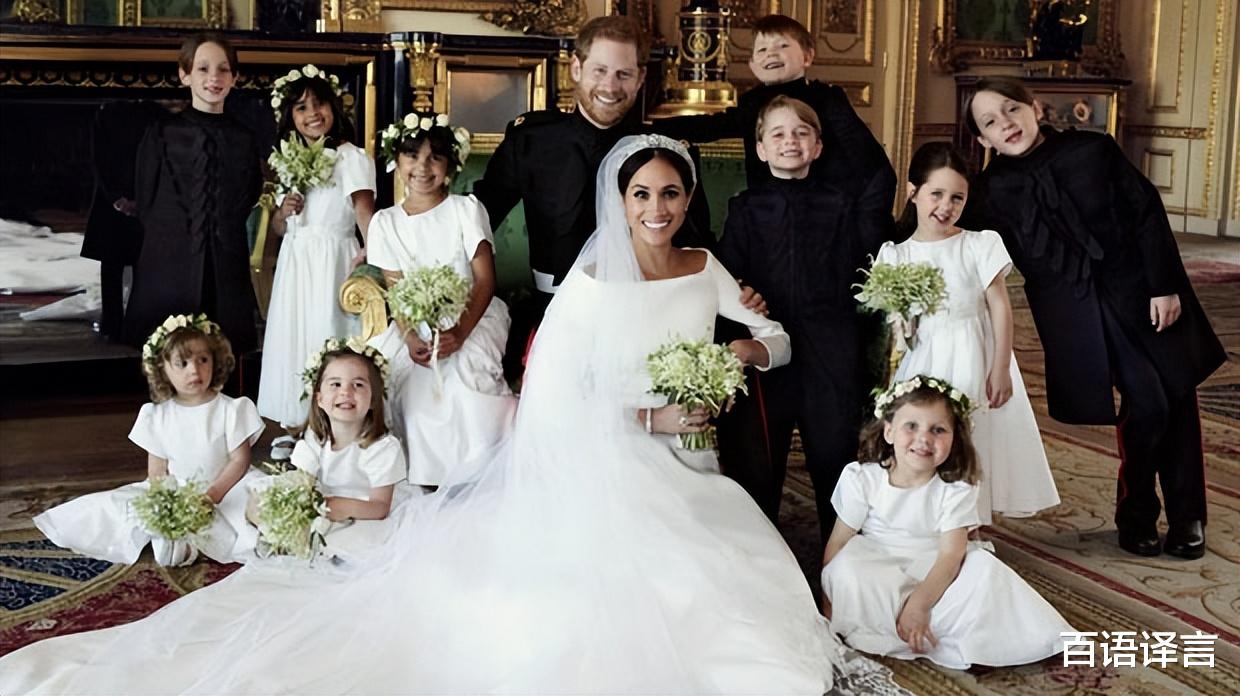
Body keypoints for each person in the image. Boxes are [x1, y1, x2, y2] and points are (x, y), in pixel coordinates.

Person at [0, 135, 902, 696]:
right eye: (641, 195)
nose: (658, 210)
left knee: (737, 563)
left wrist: (737, 356)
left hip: (693, 454)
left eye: (671, 194)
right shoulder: (591, 279)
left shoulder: (705, 266)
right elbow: (559, 385)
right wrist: (649, 420)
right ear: (619, 203)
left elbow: (775, 337)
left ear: (687, 200)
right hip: (613, 454)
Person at [959, 76, 1226, 558]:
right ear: (983, 140)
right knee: (1151, 401)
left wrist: (1164, 284)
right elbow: (955, 236)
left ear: (1034, 107)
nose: (1006, 124)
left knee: (1177, 396)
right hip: (1075, 314)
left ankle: (1188, 517)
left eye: (1011, 110)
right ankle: (1139, 509)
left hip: (1142, 290)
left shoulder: (1093, 151)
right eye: (990, 122)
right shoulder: (991, 190)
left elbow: (1145, 211)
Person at [472, 14, 720, 380]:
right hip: (553, 311)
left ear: (640, 78)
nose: (610, 85)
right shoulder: (531, 141)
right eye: (600, 71)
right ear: (576, 68)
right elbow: (477, 218)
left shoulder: (663, 151)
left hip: (645, 316)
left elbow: (696, 243)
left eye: (623, 74)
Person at [718, 97, 884, 541]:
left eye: (801, 133)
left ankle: (840, 554)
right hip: (766, 345)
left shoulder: (842, 205)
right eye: (778, 133)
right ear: (761, 149)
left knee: (833, 453)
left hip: (830, 345)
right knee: (758, 460)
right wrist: (741, 292)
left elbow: (861, 271)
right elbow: (727, 275)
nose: (790, 141)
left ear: (817, 146)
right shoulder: (745, 208)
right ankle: (759, 554)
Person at [821, 375, 1073, 669]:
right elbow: (838, 542)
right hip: (878, 565)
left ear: (954, 438)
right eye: (911, 426)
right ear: (888, 431)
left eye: (938, 430)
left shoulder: (955, 488)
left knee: (984, 569)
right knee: (847, 568)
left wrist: (920, 603)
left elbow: (951, 555)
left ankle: (934, 625)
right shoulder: (862, 478)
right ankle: (893, 624)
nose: (924, 438)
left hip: (936, 566)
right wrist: (830, 604)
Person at [877, 142, 1059, 524]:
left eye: (957, 197)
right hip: (926, 358)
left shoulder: (979, 243)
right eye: (936, 194)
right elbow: (900, 325)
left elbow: (999, 307)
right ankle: (931, 519)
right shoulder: (896, 254)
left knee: (975, 436)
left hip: (976, 353)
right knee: (927, 436)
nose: (946, 206)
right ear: (913, 193)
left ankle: (970, 525)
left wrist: (1000, 368)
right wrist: (903, 323)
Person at [33, 314, 263, 567]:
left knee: (254, 508)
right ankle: (179, 540)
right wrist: (166, 500)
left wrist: (213, 494)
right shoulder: (157, 415)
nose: (194, 370)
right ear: (162, 368)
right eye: (182, 363)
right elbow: (157, 468)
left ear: (215, 360)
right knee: (121, 509)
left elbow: (239, 460)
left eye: (203, 360)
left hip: (227, 487)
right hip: (179, 488)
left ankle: (200, 541)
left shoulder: (232, 409)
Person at [366, 112, 516, 485]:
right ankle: (423, 474)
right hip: (414, 321)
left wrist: (461, 332)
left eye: (435, 157)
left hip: (472, 315)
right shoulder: (385, 222)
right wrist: (410, 336)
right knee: (410, 389)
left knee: (467, 384)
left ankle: (480, 471)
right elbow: (397, 291)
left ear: (450, 164)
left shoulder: (466, 209)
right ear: (396, 161)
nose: (422, 166)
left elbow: (484, 281)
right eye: (412, 155)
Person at [651, 14, 896, 226]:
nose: (772, 54)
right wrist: (652, 128)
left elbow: (865, 156)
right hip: (770, 208)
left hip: (825, 207)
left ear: (807, 56)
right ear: (753, 65)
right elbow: (713, 126)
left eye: (782, 46)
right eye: (762, 50)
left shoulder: (826, 98)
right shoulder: (752, 103)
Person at [256, 63, 376, 458]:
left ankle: (331, 425)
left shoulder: (349, 157)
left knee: (327, 334)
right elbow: (276, 229)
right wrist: (282, 212)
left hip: (332, 260)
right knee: (295, 337)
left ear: (334, 109)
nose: (312, 114)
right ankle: (295, 423)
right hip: (297, 261)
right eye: (301, 108)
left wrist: (371, 254)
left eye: (319, 104)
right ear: (289, 117)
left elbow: (364, 215)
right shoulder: (287, 161)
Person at [121, 33, 262, 353]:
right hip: (168, 265)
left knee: (225, 353)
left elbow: (247, 196)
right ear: (185, 75)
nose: (214, 77)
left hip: (225, 267)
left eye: (224, 69)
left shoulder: (244, 138)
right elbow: (146, 198)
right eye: (203, 68)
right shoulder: (160, 133)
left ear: (235, 78)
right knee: (168, 355)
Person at [248, 337, 415, 560]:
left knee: (344, 542)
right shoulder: (316, 439)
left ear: (374, 399)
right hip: (326, 505)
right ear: (320, 399)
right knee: (258, 500)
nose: (346, 392)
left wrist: (339, 506)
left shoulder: (382, 448)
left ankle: (303, 543)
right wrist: (297, 506)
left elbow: (380, 507)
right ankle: (283, 536)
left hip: (363, 512)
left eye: (358, 385)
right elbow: (301, 481)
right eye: (335, 384)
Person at [80, 100, 162, 339]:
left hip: (146, 200)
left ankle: (139, 322)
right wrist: (116, 197)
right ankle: (113, 324)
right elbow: (100, 159)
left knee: (144, 267)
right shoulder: (108, 113)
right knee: (112, 266)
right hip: (112, 200)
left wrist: (145, 199)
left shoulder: (155, 114)